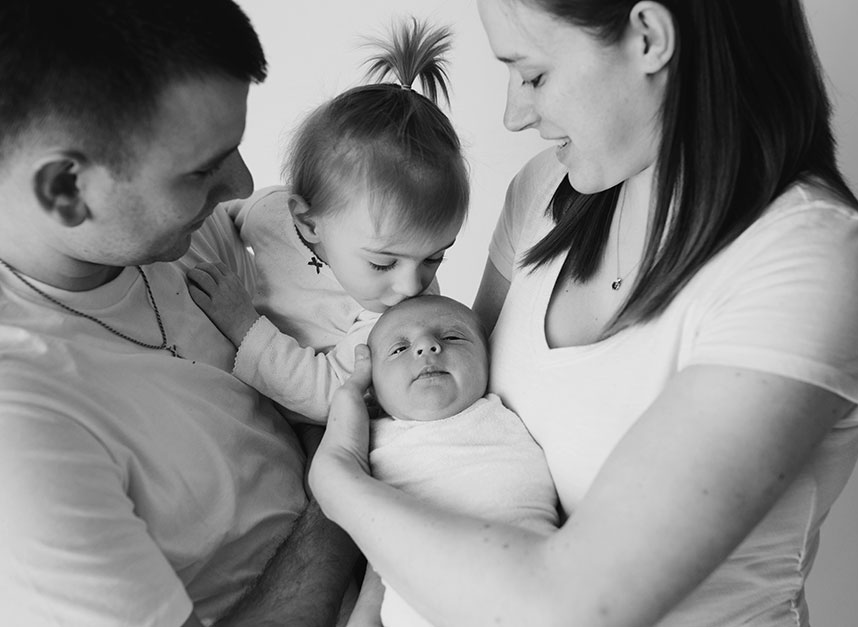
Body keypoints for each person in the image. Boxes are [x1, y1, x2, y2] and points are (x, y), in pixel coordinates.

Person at [310, 1, 858, 626]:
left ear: (649, 38)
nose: (513, 115)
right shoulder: (544, 192)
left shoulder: (804, 261)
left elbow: (572, 609)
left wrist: (341, 484)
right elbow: (437, 448)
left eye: (532, 74)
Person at [0, 2, 361, 625]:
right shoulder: (25, 428)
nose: (243, 185)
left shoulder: (185, 234)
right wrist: (344, 487)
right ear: (65, 189)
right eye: (201, 170)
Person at [186, 19, 468, 423]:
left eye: (434, 258)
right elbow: (226, 213)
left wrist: (244, 325)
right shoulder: (270, 214)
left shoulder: (388, 317)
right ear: (308, 223)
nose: (411, 287)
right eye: (383, 263)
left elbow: (331, 397)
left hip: (318, 424)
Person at [358, 294, 558, 627]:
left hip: (528, 588)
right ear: (373, 389)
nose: (426, 346)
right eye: (399, 349)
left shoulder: (507, 409)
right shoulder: (369, 437)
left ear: (488, 360)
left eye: (451, 336)